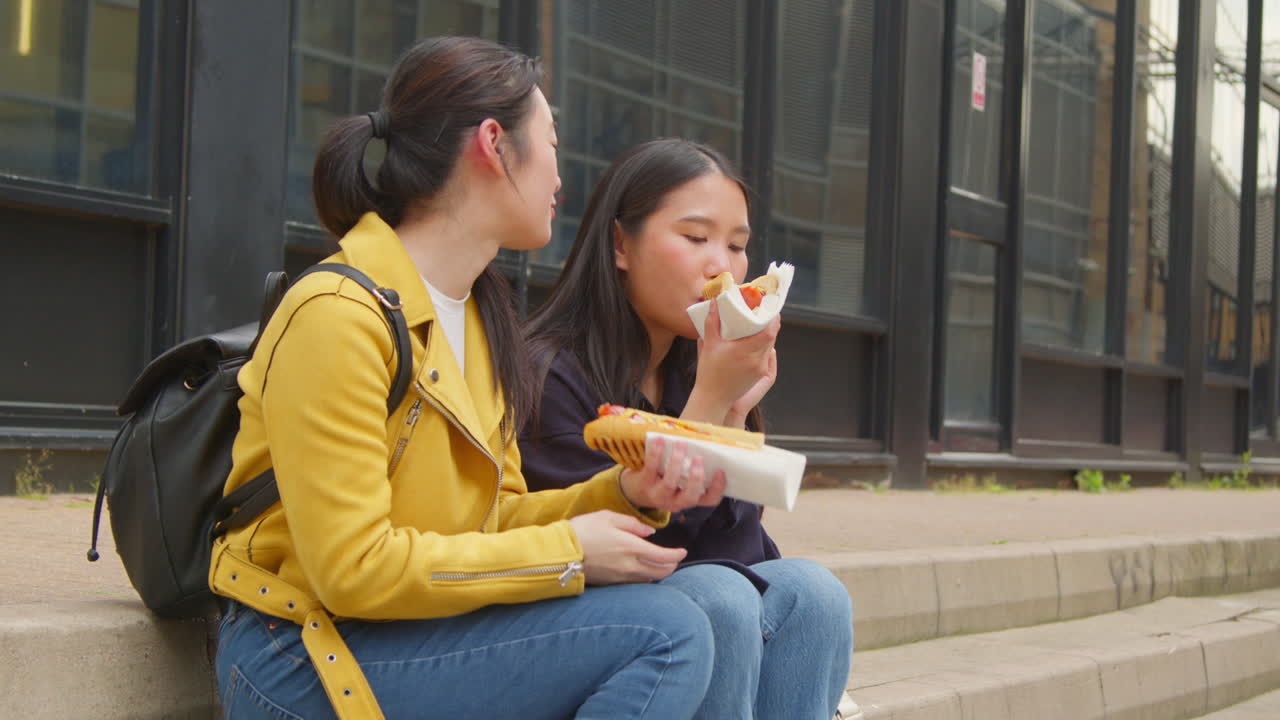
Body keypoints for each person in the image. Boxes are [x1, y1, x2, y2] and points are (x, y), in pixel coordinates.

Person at [209, 38, 732, 720]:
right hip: (300, 651)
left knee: (707, 608)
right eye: (549, 142)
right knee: (668, 632)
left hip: (408, 631)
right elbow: (352, 569)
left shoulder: (477, 315)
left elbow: (496, 516)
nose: (560, 177)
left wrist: (625, 492)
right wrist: (569, 552)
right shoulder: (337, 314)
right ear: (494, 145)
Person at [521, 138, 856, 720]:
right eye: (695, 238)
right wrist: (711, 400)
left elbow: (738, 550)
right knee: (718, 600)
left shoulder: (691, 365)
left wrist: (728, 414)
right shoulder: (548, 373)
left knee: (812, 592)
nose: (721, 267)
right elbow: (629, 550)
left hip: (689, 613)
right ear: (621, 244)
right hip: (572, 627)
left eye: (737, 246)